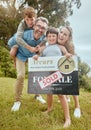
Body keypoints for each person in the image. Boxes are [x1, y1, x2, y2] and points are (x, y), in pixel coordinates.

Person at [8, 17, 48, 112]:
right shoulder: (24, 35)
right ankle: (17, 101)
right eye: (38, 26)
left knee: (37, 75)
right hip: (21, 55)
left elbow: (44, 46)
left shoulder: (44, 38)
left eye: (43, 28)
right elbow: (11, 42)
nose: (40, 29)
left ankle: (37, 95)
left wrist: (40, 50)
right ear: (34, 26)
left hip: (32, 57)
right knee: (21, 76)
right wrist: (14, 50)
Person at [34, 27, 71, 128]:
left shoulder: (60, 47)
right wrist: (37, 57)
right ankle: (49, 108)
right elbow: (40, 58)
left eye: (53, 36)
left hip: (58, 74)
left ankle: (67, 118)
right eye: (49, 36)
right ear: (46, 37)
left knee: (61, 95)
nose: (51, 38)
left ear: (57, 36)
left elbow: (66, 54)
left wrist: (67, 55)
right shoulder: (44, 48)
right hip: (47, 74)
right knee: (49, 92)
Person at [58, 26, 81, 118]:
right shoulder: (55, 41)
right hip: (58, 65)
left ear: (68, 37)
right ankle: (66, 97)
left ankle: (77, 106)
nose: (62, 35)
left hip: (69, 65)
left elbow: (73, 61)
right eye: (61, 32)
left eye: (65, 34)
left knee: (72, 81)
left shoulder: (70, 45)